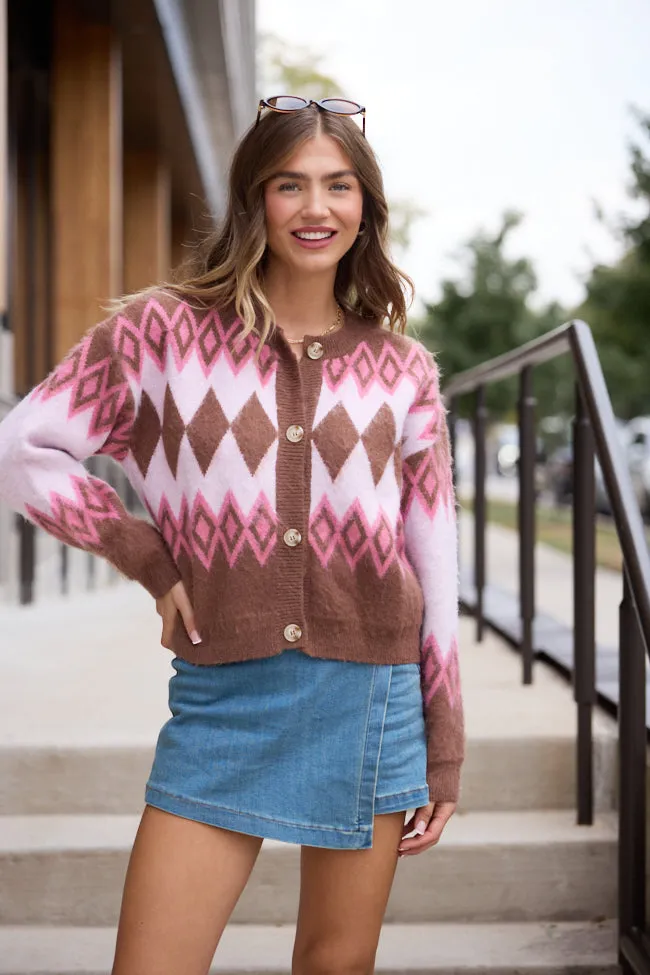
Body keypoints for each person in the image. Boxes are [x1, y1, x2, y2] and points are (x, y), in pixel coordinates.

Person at [0, 95, 464, 974]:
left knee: (334, 963)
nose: (316, 208)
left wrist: (445, 744)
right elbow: (22, 448)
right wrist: (145, 556)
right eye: (290, 184)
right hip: (223, 702)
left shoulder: (402, 369)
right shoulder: (162, 334)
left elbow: (434, 567)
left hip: (371, 698)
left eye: (338, 186)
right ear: (255, 198)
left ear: (366, 206)